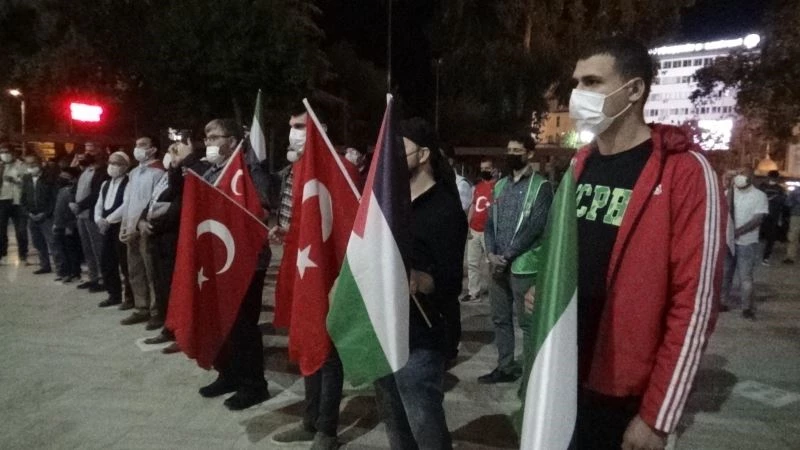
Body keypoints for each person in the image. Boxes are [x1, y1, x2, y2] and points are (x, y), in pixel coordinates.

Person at [534, 37, 725, 449]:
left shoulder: (685, 172)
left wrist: (657, 416)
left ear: (634, 89)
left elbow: (694, 305)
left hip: (625, 391)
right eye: (576, 82)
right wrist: (547, 290)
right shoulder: (581, 163)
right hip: (564, 372)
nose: (577, 94)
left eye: (592, 82)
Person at [371, 117, 466, 450]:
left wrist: (421, 280)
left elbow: (451, 282)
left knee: (424, 425)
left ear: (423, 154)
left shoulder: (446, 209)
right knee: (394, 422)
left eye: (401, 148)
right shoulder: (387, 202)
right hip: (383, 329)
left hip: (421, 338)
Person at [272, 107, 346, 450]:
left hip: (329, 273)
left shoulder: (339, 168)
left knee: (328, 353)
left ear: (320, 127)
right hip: (302, 269)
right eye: (291, 126)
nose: (293, 132)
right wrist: (285, 231)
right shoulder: (295, 169)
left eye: (300, 125)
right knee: (308, 343)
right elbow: (303, 223)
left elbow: (344, 222)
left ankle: (326, 430)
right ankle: (310, 420)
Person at [198, 118, 271, 411]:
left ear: (232, 141)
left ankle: (254, 385)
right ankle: (228, 374)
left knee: (243, 325)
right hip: (218, 258)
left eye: (215, 137)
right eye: (206, 137)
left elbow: (261, 208)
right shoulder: (209, 171)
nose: (209, 143)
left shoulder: (250, 170)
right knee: (222, 321)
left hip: (247, 259)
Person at [480, 137, 553, 384]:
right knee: (500, 319)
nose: (511, 154)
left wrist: (507, 255)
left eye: (517, 150)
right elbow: (490, 222)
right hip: (498, 264)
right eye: (509, 149)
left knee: (528, 323)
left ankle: (533, 374)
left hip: (523, 265)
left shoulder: (541, 187)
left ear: (529, 154)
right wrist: (491, 253)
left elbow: (535, 227)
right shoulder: (500, 185)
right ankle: (505, 366)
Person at [141, 141, 209, 350]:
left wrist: (187, 160)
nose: (172, 154)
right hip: (159, 240)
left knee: (178, 288)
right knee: (162, 286)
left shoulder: (200, 169)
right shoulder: (168, 175)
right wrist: (142, 220)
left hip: (175, 240)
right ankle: (169, 326)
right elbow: (163, 196)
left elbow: (179, 204)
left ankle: (182, 331)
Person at [119, 137, 164, 326]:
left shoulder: (158, 172)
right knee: (135, 269)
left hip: (146, 228)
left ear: (153, 149)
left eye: (142, 145)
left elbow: (155, 202)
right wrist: (125, 225)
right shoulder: (134, 172)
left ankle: (156, 310)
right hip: (131, 227)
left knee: (151, 271)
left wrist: (141, 223)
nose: (137, 149)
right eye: (136, 145)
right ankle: (141, 307)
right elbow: (128, 201)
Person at [721, 168, 767, 320]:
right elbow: (725, 210)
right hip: (729, 242)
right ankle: (722, 302)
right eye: (738, 174)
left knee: (745, 277)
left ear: (751, 177)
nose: (740, 177)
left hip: (747, 242)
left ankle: (747, 307)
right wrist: (727, 182)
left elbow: (757, 220)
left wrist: (737, 232)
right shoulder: (730, 193)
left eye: (743, 174)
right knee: (725, 274)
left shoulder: (759, 196)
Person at [94, 152, 132, 308]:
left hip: (120, 225)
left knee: (124, 262)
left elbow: (126, 204)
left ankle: (130, 297)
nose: (112, 166)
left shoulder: (129, 182)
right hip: (106, 226)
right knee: (107, 261)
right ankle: (113, 294)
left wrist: (108, 220)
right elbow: (99, 204)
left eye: (117, 163)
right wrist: (98, 219)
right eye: (111, 163)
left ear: (125, 166)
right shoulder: (105, 184)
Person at [71, 142, 109, 291]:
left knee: (98, 247)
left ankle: (103, 278)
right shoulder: (86, 170)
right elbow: (75, 186)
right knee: (87, 248)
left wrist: (80, 205)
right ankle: (93, 277)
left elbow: (97, 193)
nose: (88, 154)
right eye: (86, 151)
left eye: (92, 151)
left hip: (92, 214)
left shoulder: (102, 171)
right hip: (81, 215)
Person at [462, 157, 496, 304]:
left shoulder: (499, 186)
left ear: (493, 169)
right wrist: (468, 225)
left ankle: (494, 293)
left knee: (491, 265)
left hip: (490, 232)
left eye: (487, 168)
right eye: (482, 169)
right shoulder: (478, 187)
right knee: (472, 263)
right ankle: (473, 293)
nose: (484, 171)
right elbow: (473, 206)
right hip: (475, 230)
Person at [19, 154, 58, 274]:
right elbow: (23, 198)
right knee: (38, 242)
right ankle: (44, 265)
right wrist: (28, 213)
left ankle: (61, 269)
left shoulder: (49, 177)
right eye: (28, 164)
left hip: (47, 216)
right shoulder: (26, 178)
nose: (31, 166)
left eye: (33, 164)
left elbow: (54, 198)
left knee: (53, 242)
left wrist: (45, 213)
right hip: (32, 215)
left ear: (40, 163)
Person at [52, 167, 83, 283]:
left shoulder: (73, 192)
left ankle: (74, 272)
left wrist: (70, 226)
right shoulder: (61, 191)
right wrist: (55, 223)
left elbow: (72, 212)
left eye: (65, 177)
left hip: (68, 226)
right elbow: (58, 209)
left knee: (71, 250)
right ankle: (64, 272)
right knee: (61, 250)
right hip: (59, 224)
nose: (61, 179)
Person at [0, 144, 29, 265]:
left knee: (21, 230)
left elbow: (27, 182)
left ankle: (23, 253)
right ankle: (2, 253)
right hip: (2, 200)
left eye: (6, 151)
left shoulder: (21, 165)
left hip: (18, 201)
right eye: (2, 152)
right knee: (1, 229)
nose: (4, 154)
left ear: (13, 153)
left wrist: (15, 181)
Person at [759, 170, 785, 265]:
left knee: (758, 235)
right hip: (773, 215)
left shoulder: (762, 187)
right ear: (777, 178)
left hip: (761, 214)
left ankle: (756, 255)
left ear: (768, 177)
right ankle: (765, 257)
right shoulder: (780, 189)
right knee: (770, 238)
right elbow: (783, 204)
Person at [785, 187, 800, 264]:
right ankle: (790, 257)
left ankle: (790, 257)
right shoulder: (795, 192)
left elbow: (788, 203)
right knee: (793, 237)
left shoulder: (795, 192)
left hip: (795, 215)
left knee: (793, 236)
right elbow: (788, 203)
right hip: (796, 215)